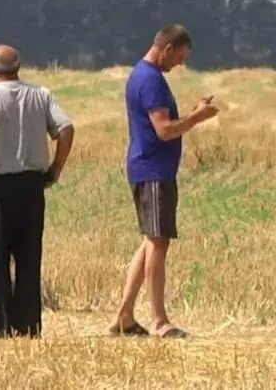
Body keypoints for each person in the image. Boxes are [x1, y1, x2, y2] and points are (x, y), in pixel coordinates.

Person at [110, 24, 219, 339]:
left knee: (150, 241)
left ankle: (125, 316)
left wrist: (193, 112)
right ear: (168, 48)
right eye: (179, 57)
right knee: (158, 243)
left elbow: (163, 124)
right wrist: (199, 117)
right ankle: (159, 320)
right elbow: (165, 130)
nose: (179, 64)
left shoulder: (141, 76)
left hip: (149, 168)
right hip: (153, 170)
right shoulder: (151, 81)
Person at [0, 44, 74, 338]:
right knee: (28, 256)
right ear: (18, 69)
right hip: (31, 186)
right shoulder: (41, 94)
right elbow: (66, 129)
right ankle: (28, 324)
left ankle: (1, 324)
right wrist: (56, 167)